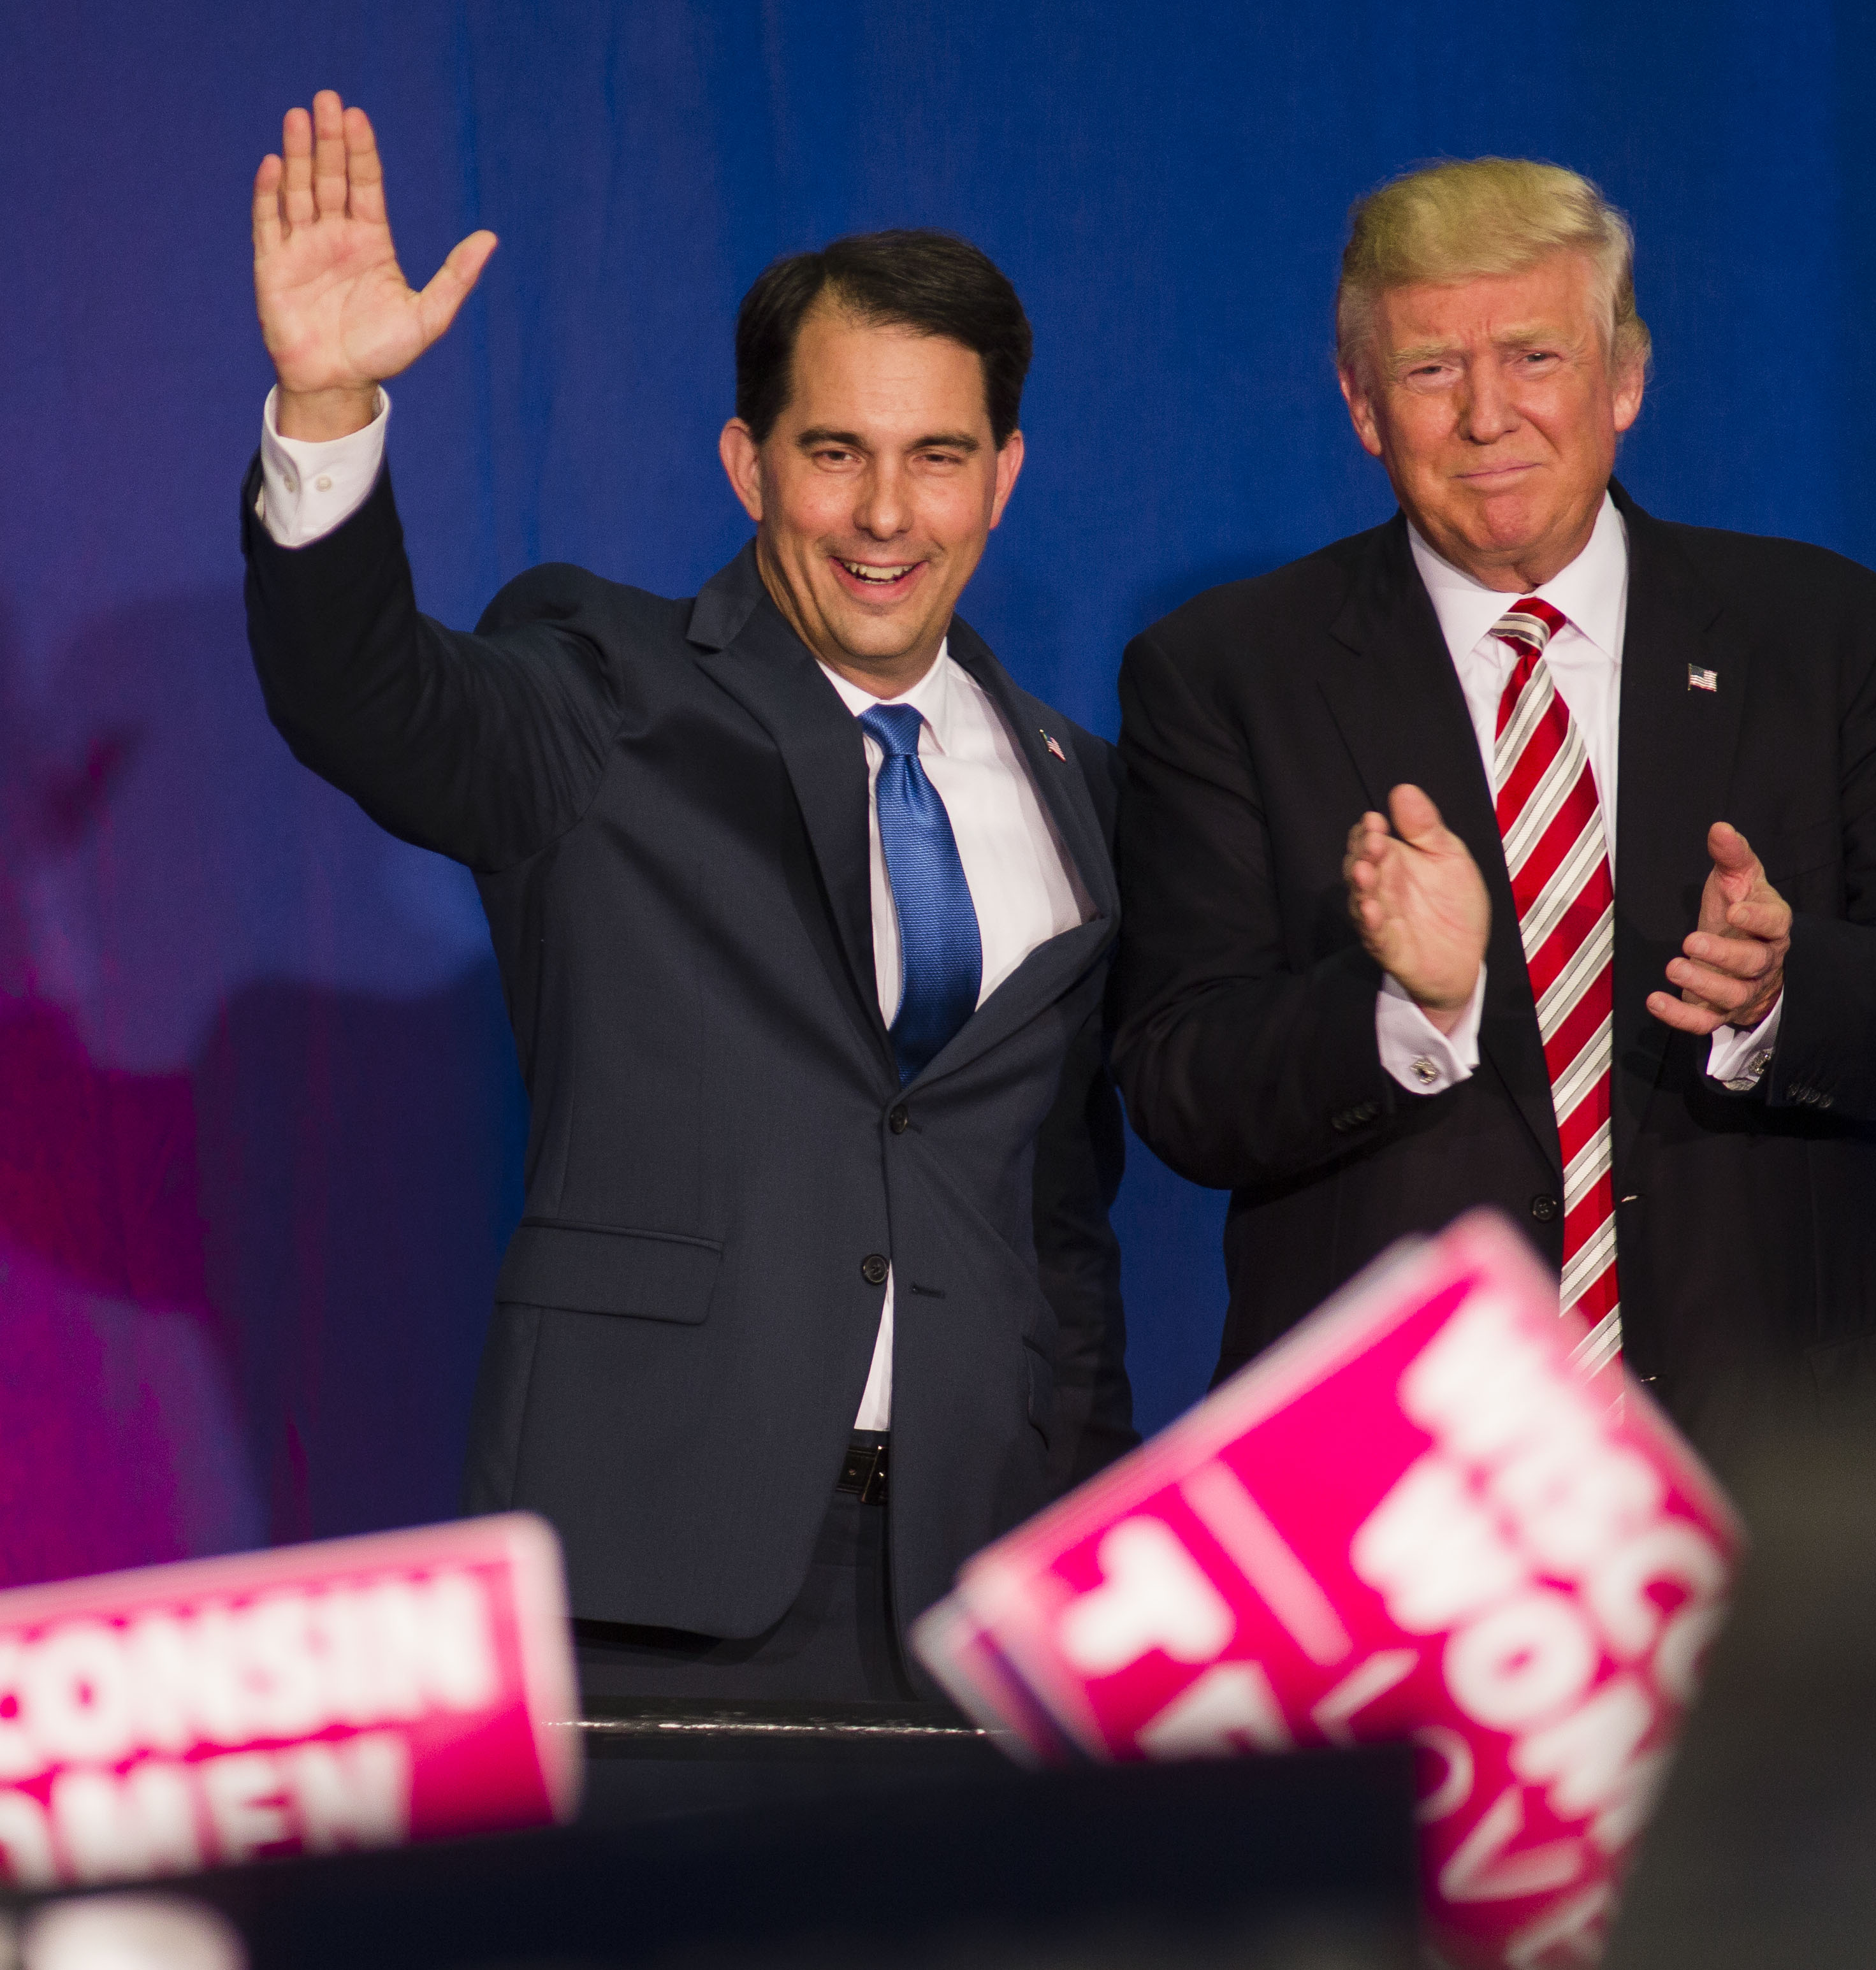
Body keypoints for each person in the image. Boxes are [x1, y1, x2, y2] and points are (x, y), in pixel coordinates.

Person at [240, 92, 1131, 1700]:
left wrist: (1088, 1557)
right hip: (648, 1567)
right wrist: (328, 407)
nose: (882, 515)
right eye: (833, 453)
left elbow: (1057, 1224)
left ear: (1002, 475)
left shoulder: (1082, 783)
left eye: (935, 459)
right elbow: (370, 700)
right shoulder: (606, 688)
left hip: (980, 1597)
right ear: (747, 461)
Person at [1111, 159, 1876, 1489]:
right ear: (1361, 406)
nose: (1488, 414)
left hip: (1788, 1472)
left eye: (1533, 355)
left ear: (1623, 380)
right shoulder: (1224, 674)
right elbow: (1179, 1082)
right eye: (1430, 370)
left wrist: (1782, 993)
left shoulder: (1821, 637)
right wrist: (1403, 1008)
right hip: (1405, 1493)